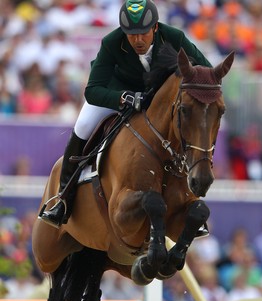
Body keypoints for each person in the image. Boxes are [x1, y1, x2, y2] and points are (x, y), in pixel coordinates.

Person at [39, 0, 212, 228]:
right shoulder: (112, 42)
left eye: (143, 33)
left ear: (155, 28)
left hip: (157, 100)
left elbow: (206, 70)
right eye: (131, 34)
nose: (138, 40)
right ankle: (63, 199)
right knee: (82, 126)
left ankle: (189, 202)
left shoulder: (174, 37)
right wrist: (124, 97)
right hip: (117, 93)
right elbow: (92, 91)